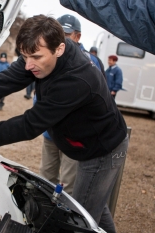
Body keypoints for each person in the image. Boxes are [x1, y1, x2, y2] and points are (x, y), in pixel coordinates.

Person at [0, 15, 128, 232]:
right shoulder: (42, 50)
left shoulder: (78, 79)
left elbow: (29, 125)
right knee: (94, 208)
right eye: (24, 56)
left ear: (60, 49)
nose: (28, 64)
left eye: (35, 57)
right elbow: (12, 77)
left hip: (102, 149)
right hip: (82, 141)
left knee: (83, 219)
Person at [37, 14, 106, 195]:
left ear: (77, 36)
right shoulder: (48, 58)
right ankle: (42, 216)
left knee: (68, 184)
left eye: (65, 35)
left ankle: (64, 220)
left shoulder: (90, 62)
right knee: (44, 178)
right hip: (50, 133)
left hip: (74, 136)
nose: (60, 40)